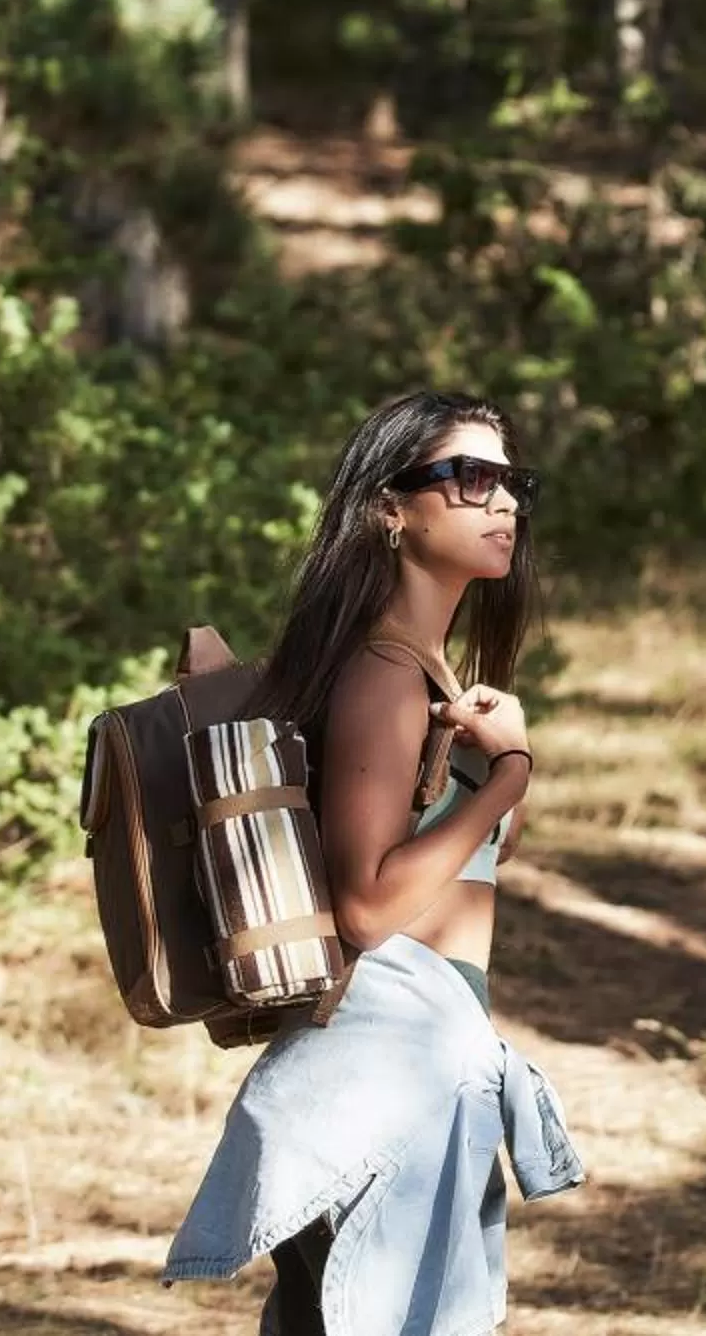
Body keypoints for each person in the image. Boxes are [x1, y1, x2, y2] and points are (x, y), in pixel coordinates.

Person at [162, 390, 584, 1336]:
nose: (504, 503)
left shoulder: (414, 669)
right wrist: (507, 774)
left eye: (510, 482)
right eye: (470, 480)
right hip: (384, 1071)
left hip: (412, 1063)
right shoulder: (385, 672)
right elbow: (364, 906)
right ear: (392, 507)